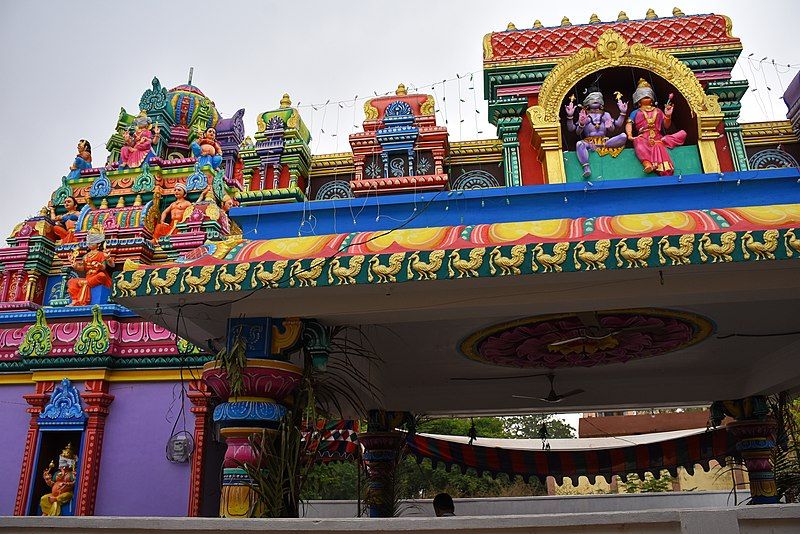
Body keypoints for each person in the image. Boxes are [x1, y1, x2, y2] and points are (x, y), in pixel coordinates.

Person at [625, 78, 687, 176]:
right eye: (643, 96)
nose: (646, 97)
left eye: (648, 95)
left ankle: (660, 165)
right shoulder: (635, 112)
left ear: (652, 99)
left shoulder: (658, 111)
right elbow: (629, 123)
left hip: (658, 138)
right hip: (644, 137)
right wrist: (630, 135)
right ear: (638, 100)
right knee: (638, 141)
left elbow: (666, 126)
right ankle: (647, 163)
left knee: (682, 133)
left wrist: (668, 116)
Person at [564, 88, 628, 178]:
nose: (595, 100)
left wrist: (622, 113)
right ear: (587, 102)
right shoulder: (585, 115)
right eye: (592, 98)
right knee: (579, 144)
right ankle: (586, 168)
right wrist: (571, 117)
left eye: (598, 98)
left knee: (623, 136)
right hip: (590, 142)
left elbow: (616, 125)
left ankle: (603, 146)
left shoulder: (606, 115)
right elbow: (574, 130)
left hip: (605, 142)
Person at [66, 226, 114, 306]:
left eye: (92, 243)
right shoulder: (86, 256)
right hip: (88, 277)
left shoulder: (101, 254)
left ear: (98, 244)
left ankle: (81, 302)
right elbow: (84, 268)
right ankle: (74, 300)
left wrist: (100, 265)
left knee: (101, 275)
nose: (90, 244)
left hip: (97, 276)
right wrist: (75, 266)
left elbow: (105, 267)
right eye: (89, 243)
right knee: (71, 281)